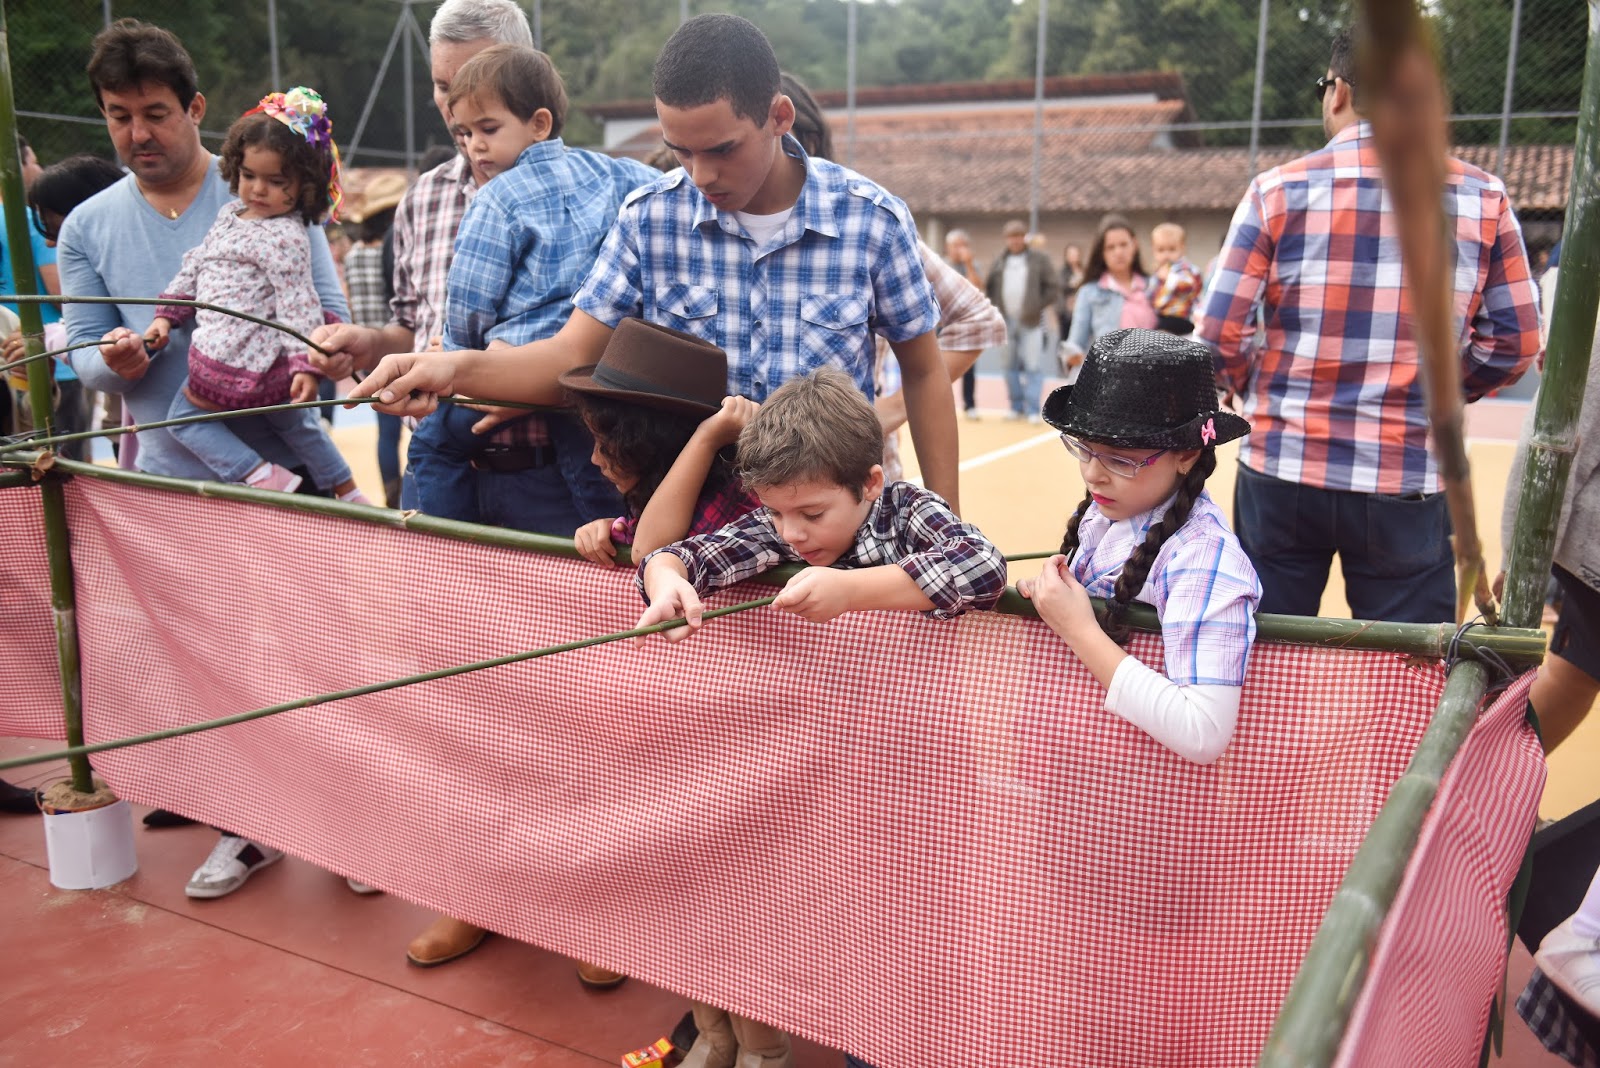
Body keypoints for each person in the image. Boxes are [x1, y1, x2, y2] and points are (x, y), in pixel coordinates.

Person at [346, 13, 960, 513]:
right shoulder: (649, 218)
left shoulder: (871, 220)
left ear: (779, 116)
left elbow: (924, 372)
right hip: (689, 540)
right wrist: (446, 368)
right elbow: (567, 357)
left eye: (722, 150)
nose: (702, 175)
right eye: (681, 152)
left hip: (831, 533)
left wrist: (947, 520)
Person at [636, 369, 1005, 1068]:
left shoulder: (905, 509)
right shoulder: (785, 523)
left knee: (908, 936)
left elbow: (984, 567)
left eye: (809, 514)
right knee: (833, 913)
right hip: (828, 780)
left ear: (869, 482)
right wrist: (669, 582)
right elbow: (675, 556)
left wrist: (854, 590)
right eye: (776, 515)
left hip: (920, 773)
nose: (791, 533)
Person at [58, 18, 350, 894]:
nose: (137, 133)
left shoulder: (278, 200)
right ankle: (245, 826)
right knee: (210, 663)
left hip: (288, 477)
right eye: (118, 116)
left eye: (154, 113)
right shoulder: (87, 225)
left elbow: (327, 314)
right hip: (175, 484)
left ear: (195, 109)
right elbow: (81, 346)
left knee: (321, 651)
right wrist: (111, 359)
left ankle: (351, 830)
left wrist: (322, 359)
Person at [1197, 27, 1541, 622]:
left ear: (1338, 92)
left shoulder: (1276, 191)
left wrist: (1247, 381)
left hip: (1284, 462)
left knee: (1262, 645)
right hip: (1409, 470)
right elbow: (1516, 342)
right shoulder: (1483, 198)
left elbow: (1218, 332)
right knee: (1407, 661)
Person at [404, 43, 655, 526]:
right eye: (465, 133)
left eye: (488, 129)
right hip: (587, 369)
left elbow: (470, 299)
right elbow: (665, 188)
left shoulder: (498, 199)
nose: (474, 146)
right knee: (592, 458)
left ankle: (446, 543)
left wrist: (461, 356)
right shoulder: (613, 173)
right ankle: (611, 533)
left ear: (539, 123)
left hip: (514, 363)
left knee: (433, 443)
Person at [1016, 329, 1260, 764]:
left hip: (1148, 787)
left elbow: (1203, 732)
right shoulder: (1107, 513)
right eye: (1084, 449)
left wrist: (1077, 627)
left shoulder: (1204, 558)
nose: (1092, 474)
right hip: (1082, 768)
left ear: (1187, 454)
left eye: (1120, 459)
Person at [774, 70, 1003, 481]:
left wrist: (892, 408)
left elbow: (978, 319)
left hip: (854, 479)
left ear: (804, 137)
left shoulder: (866, 225)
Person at [144, 89, 366, 501]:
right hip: (251, 361)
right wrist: (166, 315)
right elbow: (196, 265)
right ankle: (346, 488)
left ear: (304, 185)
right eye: (249, 176)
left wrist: (306, 366)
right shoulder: (230, 215)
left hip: (227, 360)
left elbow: (297, 302)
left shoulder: (285, 235)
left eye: (276, 182)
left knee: (183, 419)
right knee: (296, 424)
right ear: (236, 169)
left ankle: (259, 473)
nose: (258, 189)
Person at [563, 317, 760, 568]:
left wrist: (706, 439)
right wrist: (610, 531)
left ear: (649, 444)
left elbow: (647, 552)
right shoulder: (664, 501)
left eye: (604, 443)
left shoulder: (733, 504)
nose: (595, 459)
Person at [2, 154, 125, 461]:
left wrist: (43, 365)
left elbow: (27, 426)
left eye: (54, 229)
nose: (50, 243)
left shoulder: (7, 324)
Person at [341, 173, 408, 506]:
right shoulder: (395, 251)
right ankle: (407, 494)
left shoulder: (352, 255)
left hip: (368, 350)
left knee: (385, 429)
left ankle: (390, 494)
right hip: (399, 345)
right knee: (415, 426)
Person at [1061, 214, 1154, 386]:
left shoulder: (1153, 287)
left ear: (1134, 244)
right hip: (1107, 383)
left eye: (1123, 245)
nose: (1118, 252)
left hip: (1149, 380)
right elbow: (1075, 344)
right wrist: (1073, 358)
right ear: (1101, 253)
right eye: (1110, 247)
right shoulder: (1089, 292)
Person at [984, 219, 1059, 422]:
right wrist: (995, 310)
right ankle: (1016, 406)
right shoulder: (999, 261)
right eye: (1011, 237)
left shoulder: (1039, 259)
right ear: (1006, 239)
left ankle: (1033, 409)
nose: (1015, 240)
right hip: (1006, 321)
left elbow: (1053, 287)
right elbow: (989, 288)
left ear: (1024, 237)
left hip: (1031, 320)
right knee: (1009, 366)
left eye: (1018, 236)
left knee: (1033, 365)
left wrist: (1036, 305)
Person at [943, 228, 986, 418]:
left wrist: (968, 264)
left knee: (968, 366)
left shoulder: (973, 265)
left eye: (962, 245)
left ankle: (970, 405)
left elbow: (976, 289)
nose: (959, 249)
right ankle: (943, 405)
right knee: (941, 367)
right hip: (945, 323)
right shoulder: (941, 264)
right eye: (955, 246)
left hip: (968, 323)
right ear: (948, 247)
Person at [1147, 222, 1201, 336]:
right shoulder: (1157, 272)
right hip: (1162, 317)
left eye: (1172, 249)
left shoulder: (1184, 268)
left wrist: (1169, 278)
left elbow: (1188, 286)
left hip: (1182, 317)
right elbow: (1151, 294)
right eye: (1161, 250)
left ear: (1182, 249)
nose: (1166, 255)